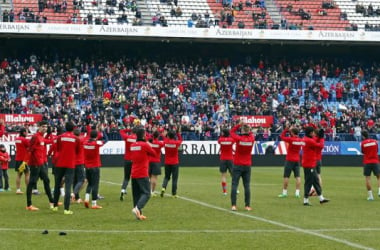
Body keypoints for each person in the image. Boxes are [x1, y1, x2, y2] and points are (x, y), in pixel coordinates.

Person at [51, 121, 80, 215]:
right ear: (73, 129)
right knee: (68, 187)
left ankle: (54, 206)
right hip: (70, 164)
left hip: (60, 163)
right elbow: (77, 151)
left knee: (57, 185)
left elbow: (58, 149)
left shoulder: (60, 137)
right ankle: (66, 209)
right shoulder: (76, 139)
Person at [25, 121, 54, 211]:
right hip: (35, 164)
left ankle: (52, 201)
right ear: (39, 127)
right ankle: (29, 205)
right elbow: (29, 149)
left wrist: (50, 133)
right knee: (32, 182)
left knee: (46, 180)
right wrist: (26, 161)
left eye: (46, 127)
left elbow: (50, 141)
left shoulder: (41, 137)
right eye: (43, 127)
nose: (45, 128)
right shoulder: (35, 137)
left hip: (41, 164)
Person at [130, 127, 156, 220]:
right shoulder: (145, 145)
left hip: (134, 172)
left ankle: (138, 214)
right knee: (146, 193)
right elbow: (154, 154)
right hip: (142, 172)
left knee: (136, 194)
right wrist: (149, 144)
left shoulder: (132, 145)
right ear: (144, 135)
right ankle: (137, 208)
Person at [230, 120, 255, 211]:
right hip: (247, 165)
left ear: (242, 131)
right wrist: (247, 128)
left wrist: (239, 125)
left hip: (237, 164)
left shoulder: (239, 139)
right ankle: (247, 205)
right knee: (247, 186)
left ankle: (233, 205)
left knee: (234, 185)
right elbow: (251, 133)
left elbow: (231, 132)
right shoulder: (252, 139)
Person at [302, 127, 329, 206]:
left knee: (315, 181)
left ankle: (321, 198)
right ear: (310, 133)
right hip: (309, 164)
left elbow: (314, 141)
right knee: (309, 182)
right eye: (313, 132)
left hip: (309, 163)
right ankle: (306, 200)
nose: (314, 134)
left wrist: (319, 137)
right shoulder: (309, 140)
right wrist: (321, 138)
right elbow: (320, 146)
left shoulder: (306, 139)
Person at [278, 126, 303, 198]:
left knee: (286, 176)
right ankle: (297, 193)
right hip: (297, 160)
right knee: (298, 177)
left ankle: (284, 193)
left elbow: (282, 137)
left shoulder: (291, 139)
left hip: (289, 159)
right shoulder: (300, 140)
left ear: (292, 133)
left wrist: (286, 130)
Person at [83, 130, 106, 209]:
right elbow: (106, 140)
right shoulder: (96, 143)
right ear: (96, 136)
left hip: (87, 166)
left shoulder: (85, 143)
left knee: (89, 183)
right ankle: (94, 203)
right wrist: (103, 132)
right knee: (95, 185)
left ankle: (86, 199)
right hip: (95, 166)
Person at [160, 127, 182, 198]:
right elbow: (181, 140)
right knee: (174, 178)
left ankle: (163, 187)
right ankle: (174, 193)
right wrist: (178, 133)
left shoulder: (165, 142)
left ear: (168, 136)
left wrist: (165, 135)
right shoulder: (176, 143)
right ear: (174, 136)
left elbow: (163, 136)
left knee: (166, 177)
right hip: (175, 162)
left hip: (167, 162)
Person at [360, 130, 380, 201]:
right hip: (375, 161)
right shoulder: (375, 142)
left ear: (363, 136)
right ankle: (379, 190)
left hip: (367, 162)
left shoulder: (363, 143)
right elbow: (377, 150)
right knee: (378, 177)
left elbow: (363, 152)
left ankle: (371, 196)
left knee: (368, 178)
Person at [119, 125, 137, 201]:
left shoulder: (127, 137)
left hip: (127, 159)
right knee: (135, 177)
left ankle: (123, 190)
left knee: (126, 177)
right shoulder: (137, 139)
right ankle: (135, 192)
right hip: (134, 160)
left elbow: (121, 131)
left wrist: (128, 129)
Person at [217, 128, 235, 195]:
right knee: (233, 175)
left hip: (223, 159)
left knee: (223, 176)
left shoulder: (220, 140)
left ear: (223, 133)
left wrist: (222, 136)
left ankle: (224, 191)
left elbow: (219, 141)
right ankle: (235, 189)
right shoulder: (231, 140)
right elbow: (233, 140)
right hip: (230, 159)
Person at [72, 128, 86, 203]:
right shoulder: (81, 139)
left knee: (75, 180)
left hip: (72, 162)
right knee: (81, 180)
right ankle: (73, 194)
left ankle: (77, 198)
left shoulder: (72, 140)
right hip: (79, 162)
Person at [14, 128, 30, 194]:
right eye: (27, 132)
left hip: (18, 158)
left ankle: (18, 190)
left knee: (19, 175)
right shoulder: (25, 140)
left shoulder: (17, 139)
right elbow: (29, 147)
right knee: (27, 174)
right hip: (24, 160)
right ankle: (28, 190)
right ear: (24, 132)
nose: (27, 133)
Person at [148, 131, 164, 196]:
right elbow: (166, 142)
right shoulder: (159, 143)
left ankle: (148, 190)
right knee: (154, 177)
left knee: (148, 177)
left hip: (149, 161)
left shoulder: (149, 142)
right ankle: (152, 191)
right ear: (158, 136)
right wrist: (163, 135)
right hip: (156, 161)